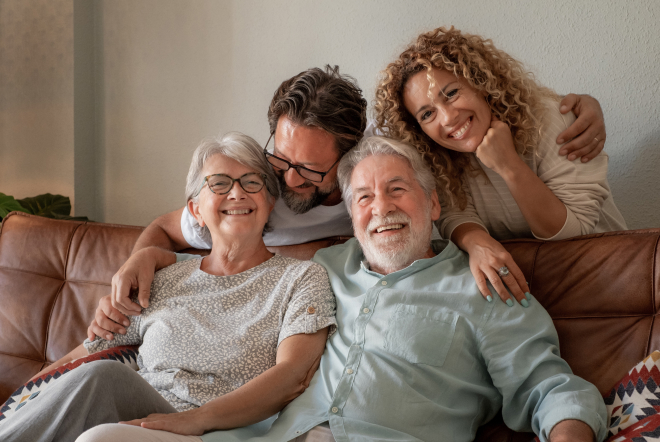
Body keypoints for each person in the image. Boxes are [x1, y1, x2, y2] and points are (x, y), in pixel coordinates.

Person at [78, 136, 607, 442]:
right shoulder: (323, 267)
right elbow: (222, 248)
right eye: (364, 198)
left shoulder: (483, 286)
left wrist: (473, 239)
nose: (382, 208)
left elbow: (553, 391)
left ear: (435, 205)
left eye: (398, 190)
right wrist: (148, 255)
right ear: (350, 216)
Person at [94, 65, 607, 339]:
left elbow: (445, 192)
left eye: (310, 171)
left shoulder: (372, 181)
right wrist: (141, 257)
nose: (289, 180)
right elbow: (166, 228)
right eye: (282, 157)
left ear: (345, 159)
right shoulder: (248, 189)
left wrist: (582, 107)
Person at [0, 132, 336, 442]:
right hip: (141, 419)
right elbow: (76, 363)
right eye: (219, 184)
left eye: (252, 182)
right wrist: (14, 408)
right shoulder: (162, 278)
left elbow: (293, 373)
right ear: (195, 211)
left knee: (99, 423)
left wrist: (199, 419)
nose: (237, 193)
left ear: (270, 202)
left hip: (217, 431)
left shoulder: (301, 278)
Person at [374, 26, 626, 306]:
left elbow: (573, 234)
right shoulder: (437, 156)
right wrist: (475, 242)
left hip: (613, 281)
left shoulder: (551, 121)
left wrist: (508, 165)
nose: (447, 118)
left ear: (480, 82)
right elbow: (454, 216)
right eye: (427, 113)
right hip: (531, 295)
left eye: (452, 93)